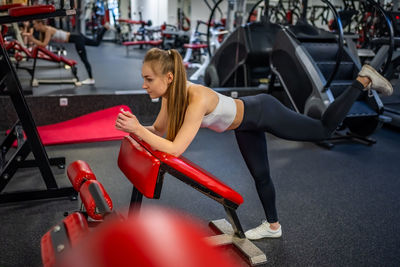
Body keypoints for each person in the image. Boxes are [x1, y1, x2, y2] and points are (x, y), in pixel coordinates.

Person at [115, 48, 393, 240]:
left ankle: (362, 80)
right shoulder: (169, 97)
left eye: (148, 79)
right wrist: (136, 129)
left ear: (169, 78)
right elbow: (159, 130)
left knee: (323, 129)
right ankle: (273, 226)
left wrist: (138, 129)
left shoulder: (196, 97)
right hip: (245, 125)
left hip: (262, 111)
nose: (144, 85)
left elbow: (175, 148)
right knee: (261, 175)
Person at [23, 20, 111, 85]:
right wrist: (32, 40)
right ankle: (104, 28)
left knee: (84, 59)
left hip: (77, 39)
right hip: (77, 36)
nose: (34, 26)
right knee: (96, 43)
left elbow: (44, 44)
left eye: (35, 24)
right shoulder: (43, 32)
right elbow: (42, 45)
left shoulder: (48, 30)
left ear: (40, 23)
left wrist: (32, 39)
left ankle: (91, 79)